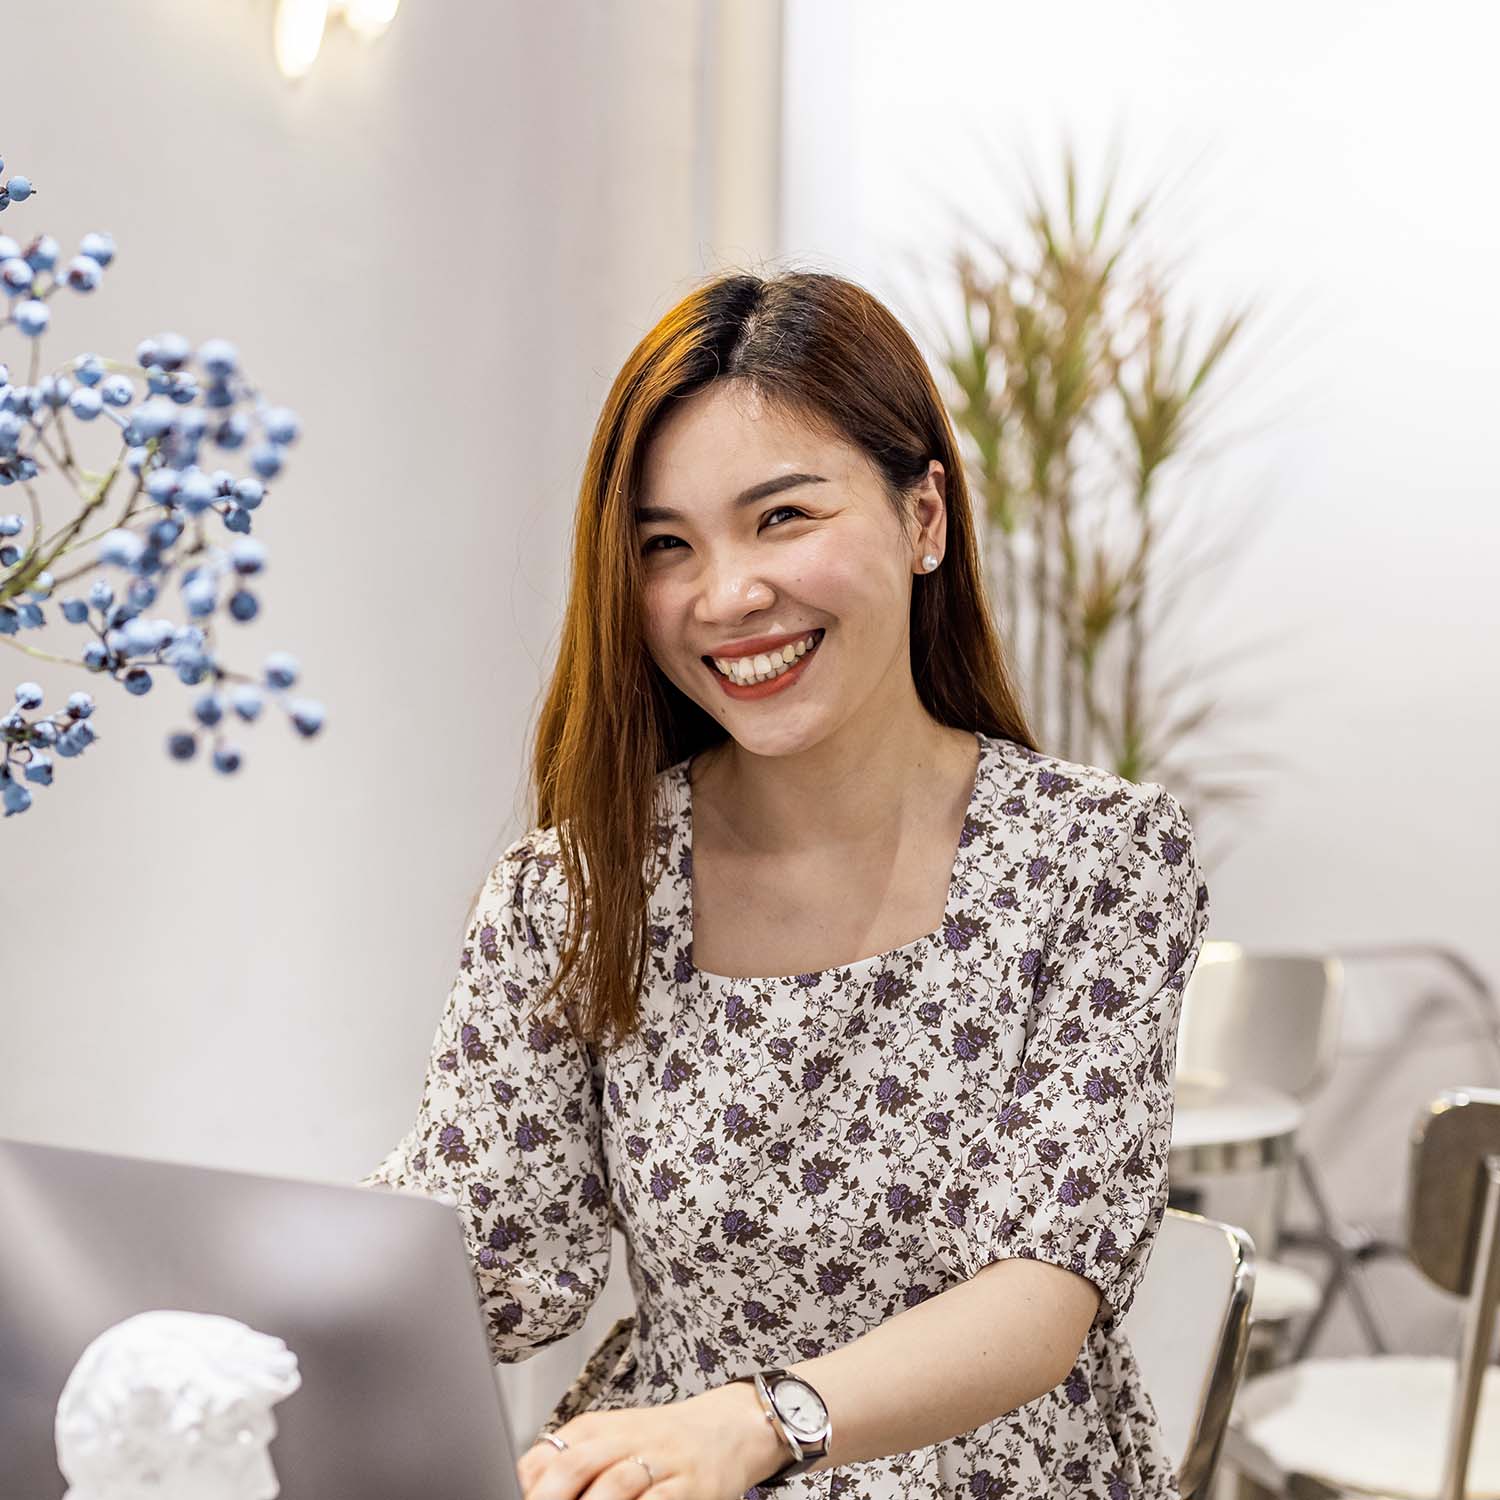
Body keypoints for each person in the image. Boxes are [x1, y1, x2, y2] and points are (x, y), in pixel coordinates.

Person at [361, 269, 1210, 1500]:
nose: (726, 596)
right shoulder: (577, 887)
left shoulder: (1099, 858)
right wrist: (238, 1308)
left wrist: (763, 1424)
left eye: (783, 518)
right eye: (666, 546)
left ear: (925, 520)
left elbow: (1047, 1291)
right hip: (669, 1471)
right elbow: (497, 1248)